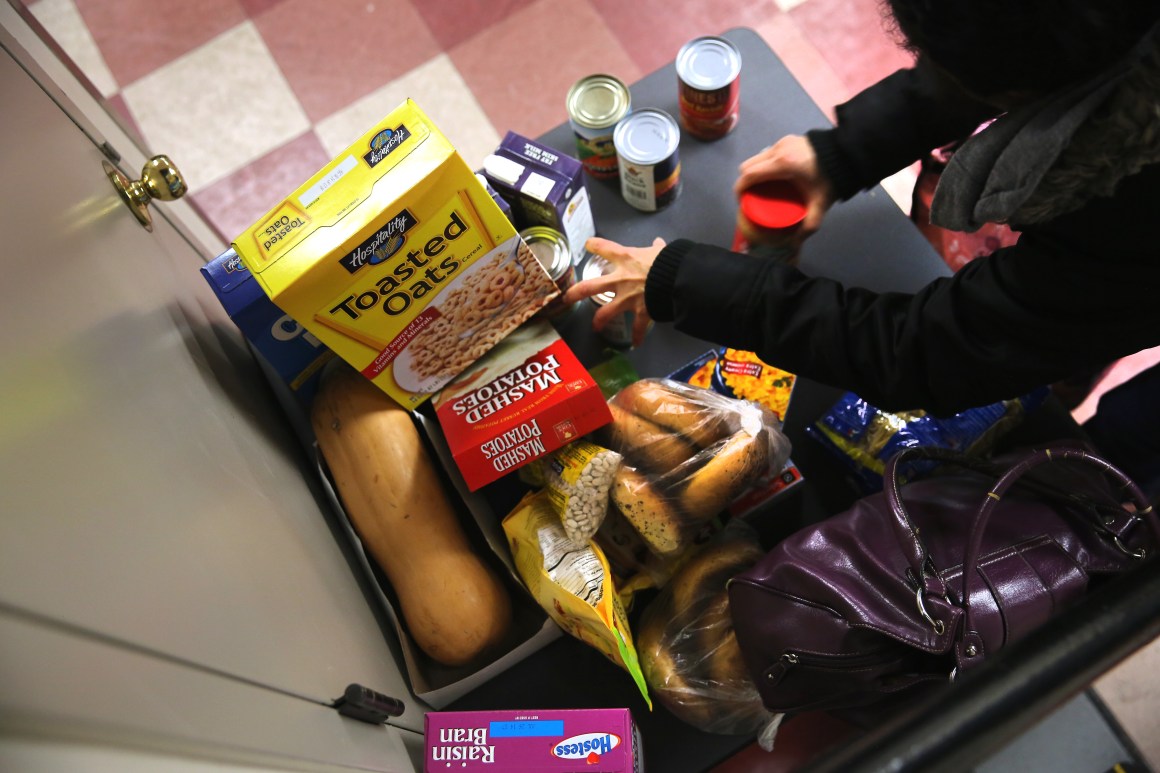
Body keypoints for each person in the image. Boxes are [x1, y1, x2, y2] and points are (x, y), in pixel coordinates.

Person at [561, 0, 1160, 420]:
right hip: (1038, 264)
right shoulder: (1080, 37)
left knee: (1041, 406)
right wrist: (846, 153)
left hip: (1069, 317)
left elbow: (935, 352)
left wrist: (684, 281)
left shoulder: (1129, 221)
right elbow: (997, 51)